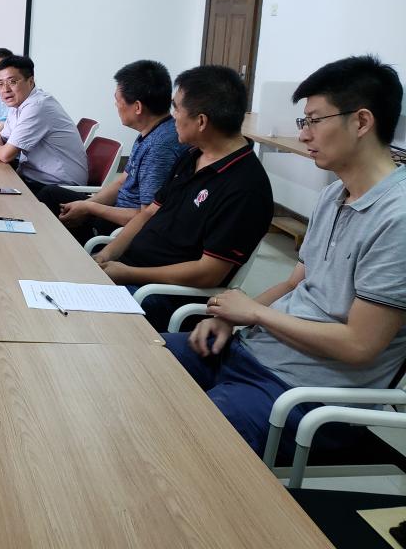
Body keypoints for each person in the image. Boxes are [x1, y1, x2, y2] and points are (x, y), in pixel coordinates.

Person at [164, 55, 406, 458]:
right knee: (143, 360)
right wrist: (230, 318)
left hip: (303, 395)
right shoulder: (333, 194)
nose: (304, 134)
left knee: (182, 441)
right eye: (303, 121)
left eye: (314, 120)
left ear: (362, 122)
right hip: (254, 355)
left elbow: (359, 345)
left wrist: (255, 314)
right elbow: (295, 283)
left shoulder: (397, 218)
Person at [93, 65, 273, 330]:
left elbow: (207, 273)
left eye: (176, 108)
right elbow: (149, 212)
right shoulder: (192, 156)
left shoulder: (245, 187)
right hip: (131, 271)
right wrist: (107, 255)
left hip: (162, 295)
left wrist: (128, 273)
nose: (172, 116)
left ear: (201, 121)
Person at [37, 60, 187, 243]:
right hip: (115, 209)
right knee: (50, 194)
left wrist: (89, 209)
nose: (115, 105)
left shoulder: (159, 147)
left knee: (48, 209)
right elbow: (122, 181)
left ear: (137, 107)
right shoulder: (151, 131)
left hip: (119, 228)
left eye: (117, 100)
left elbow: (146, 216)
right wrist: (85, 205)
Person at [0, 55, 88, 194]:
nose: (5, 89)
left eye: (12, 82)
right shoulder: (18, 103)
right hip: (34, 178)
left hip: (57, 188)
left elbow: (5, 154)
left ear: (30, 81)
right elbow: (2, 139)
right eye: (0, 84)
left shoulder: (37, 106)